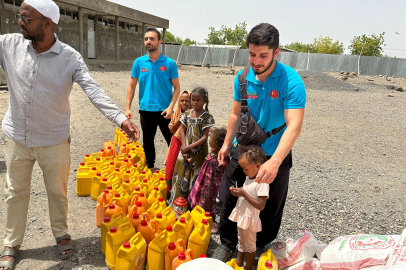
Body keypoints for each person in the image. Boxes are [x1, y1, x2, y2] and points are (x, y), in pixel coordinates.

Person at [0, 1, 139, 269]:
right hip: (17, 136)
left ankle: (61, 234)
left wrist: (121, 119)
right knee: (14, 192)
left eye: (27, 18)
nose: (20, 22)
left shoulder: (70, 57)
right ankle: (11, 242)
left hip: (54, 139)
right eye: (20, 16)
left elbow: (94, 91)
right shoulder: (9, 45)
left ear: (48, 23)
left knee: (57, 191)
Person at [213, 23, 306, 261]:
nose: (256, 60)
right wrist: (226, 145)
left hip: (275, 152)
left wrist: (275, 162)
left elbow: (294, 124)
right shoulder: (243, 77)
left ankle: (261, 245)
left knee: (270, 204)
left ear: (276, 52)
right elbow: (235, 114)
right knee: (230, 196)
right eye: (252, 54)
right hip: (243, 149)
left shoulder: (290, 81)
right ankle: (228, 243)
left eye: (263, 55)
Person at [125, 27, 181, 172]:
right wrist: (127, 107)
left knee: (173, 141)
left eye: (152, 39)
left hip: (165, 111)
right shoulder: (139, 62)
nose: (148, 41)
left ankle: (174, 171)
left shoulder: (169, 63)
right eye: (146, 39)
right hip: (145, 109)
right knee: (147, 142)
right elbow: (131, 86)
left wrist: (171, 107)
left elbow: (177, 88)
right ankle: (150, 168)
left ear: (159, 42)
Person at [169, 87, 214, 206]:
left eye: (198, 100)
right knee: (180, 174)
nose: (194, 102)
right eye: (192, 99)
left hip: (198, 153)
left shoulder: (207, 117)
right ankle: (176, 204)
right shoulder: (187, 114)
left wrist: (188, 148)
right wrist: (184, 148)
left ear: (205, 100)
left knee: (195, 177)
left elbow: (205, 137)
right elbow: (183, 131)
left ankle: (191, 205)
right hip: (184, 150)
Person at [229, 145, 269, 270]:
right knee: (241, 241)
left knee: (250, 245)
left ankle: (249, 267)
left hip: (250, 219)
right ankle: (239, 262)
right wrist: (238, 193)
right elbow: (246, 194)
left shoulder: (262, 183)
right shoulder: (249, 178)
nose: (243, 171)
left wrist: (243, 194)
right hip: (242, 216)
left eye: (245, 169)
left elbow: (261, 205)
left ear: (258, 166)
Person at [188, 127, 228, 233]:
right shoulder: (214, 151)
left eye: (211, 139)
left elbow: (216, 176)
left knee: (209, 203)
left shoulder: (218, 159)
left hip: (210, 184)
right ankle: (198, 214)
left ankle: (212, 221)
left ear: (214, 143)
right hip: (204, 180)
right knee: (200, 197)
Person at [165, 90, 191, 191]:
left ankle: (181, 191)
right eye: (182, 100)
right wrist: (178, 121)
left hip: (187, 143)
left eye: (187, 100)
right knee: (172, 165)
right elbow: (171, 129)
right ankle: (169, 190)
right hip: (176, 143)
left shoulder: (193, 115)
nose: (184, 103)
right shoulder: (176, 113)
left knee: (184, 168)